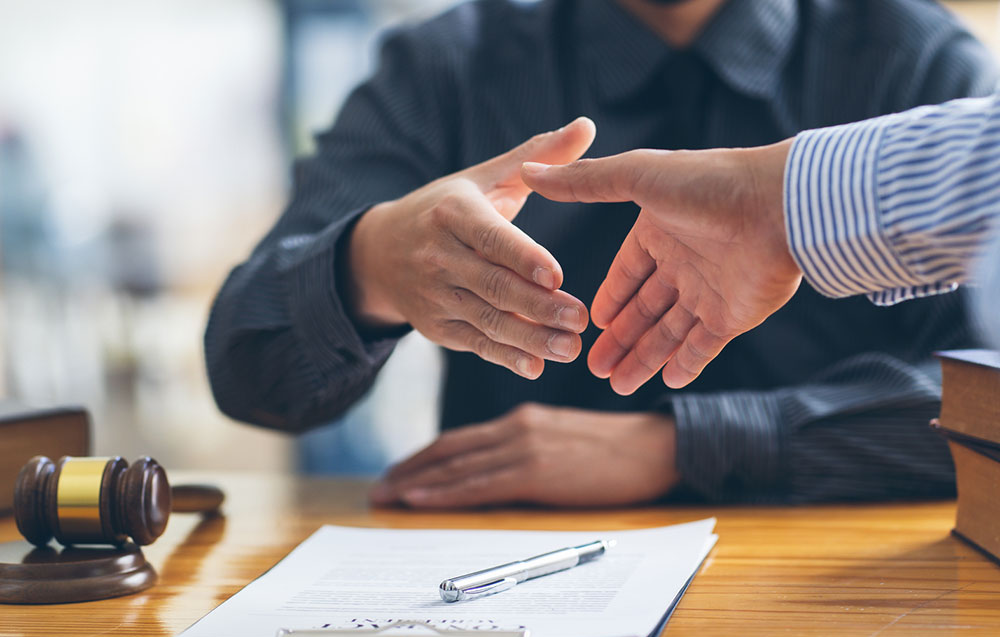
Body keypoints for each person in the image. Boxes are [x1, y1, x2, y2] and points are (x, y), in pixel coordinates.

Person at [205, 0, 997, 507]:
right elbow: (247, 365)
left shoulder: (917, 59)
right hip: (504, 589)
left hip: (845, 596)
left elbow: (985, 402)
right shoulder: (447, 64)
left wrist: (682, 444)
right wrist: (373, 262)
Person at [521, 91, 1000, 393]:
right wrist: (776, 199)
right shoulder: (480, 54)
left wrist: (685, 445)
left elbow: (977, 385)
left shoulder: (921, 56)